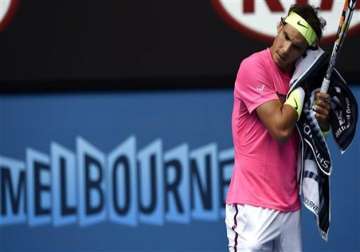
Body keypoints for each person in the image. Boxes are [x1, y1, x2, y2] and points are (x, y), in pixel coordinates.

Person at [225, 3, 331, 252]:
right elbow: (281, 129)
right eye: (285, 37)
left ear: (305, 52)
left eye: (296, 47)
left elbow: (313, 135)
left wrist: (323, 120)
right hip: (252, 208)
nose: (285, 49)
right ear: (279, 26)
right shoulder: (253, 67)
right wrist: (302, 87)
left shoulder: (300, 78)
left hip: (289, 209)